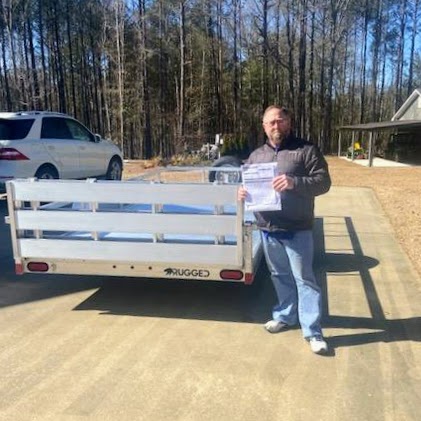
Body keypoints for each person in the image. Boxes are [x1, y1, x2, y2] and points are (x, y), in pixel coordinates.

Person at [238, 105, 331, 354]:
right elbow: (246, 185)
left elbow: (323, 182)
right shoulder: (256, 156)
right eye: (271, 122)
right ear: (264, 125)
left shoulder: (306, 150)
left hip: (297, 228)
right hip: (268, 229)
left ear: (288, 122)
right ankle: (285, 316)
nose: (276, 126)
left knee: (305, 280)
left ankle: (312, 331)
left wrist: (294, 182)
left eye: (280, 121)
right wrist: (243, 193)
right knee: (279, 276)